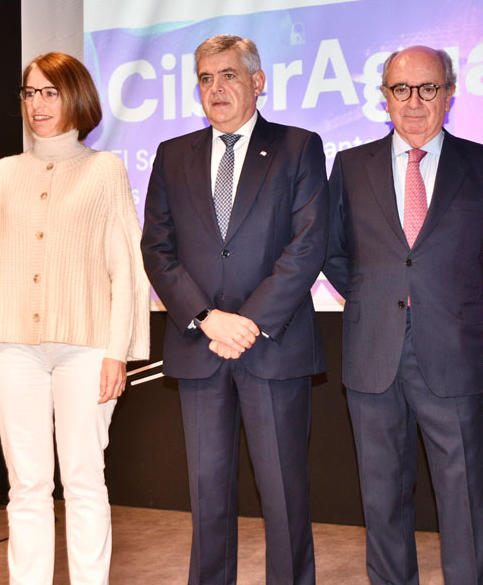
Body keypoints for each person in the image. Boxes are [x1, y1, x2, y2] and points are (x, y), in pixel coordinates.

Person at [141, 35, 327, 585]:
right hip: (200, 347)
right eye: (205, 78)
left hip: (272, 345)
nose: (216, 88)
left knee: (284, 495)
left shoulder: (298, 147)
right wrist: (207, 318)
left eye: (228, 75)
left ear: (257, 82)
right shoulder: (172, 155)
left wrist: (248, 323)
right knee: (208, 496)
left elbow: (308, 244)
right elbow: (157, 249)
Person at [0, 52, 150, 584]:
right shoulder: (4, 174)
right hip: (10, 346)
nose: (38, 104)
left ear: (77, 97)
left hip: (87, 348)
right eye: (31, 93)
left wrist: (118, 351)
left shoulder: (105, 169)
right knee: (26, 485)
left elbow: (126, 267)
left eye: (51, 92)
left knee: (85, 481)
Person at [324, 45, 483, 584]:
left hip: (455, 350)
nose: (414, 101)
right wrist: (372, 298)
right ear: (384, 97)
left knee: (465, 500)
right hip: (373, 354)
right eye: (401, 89)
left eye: (428, 88)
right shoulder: (350, 166)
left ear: (450, 95)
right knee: (382, 501)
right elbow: (332, 251)